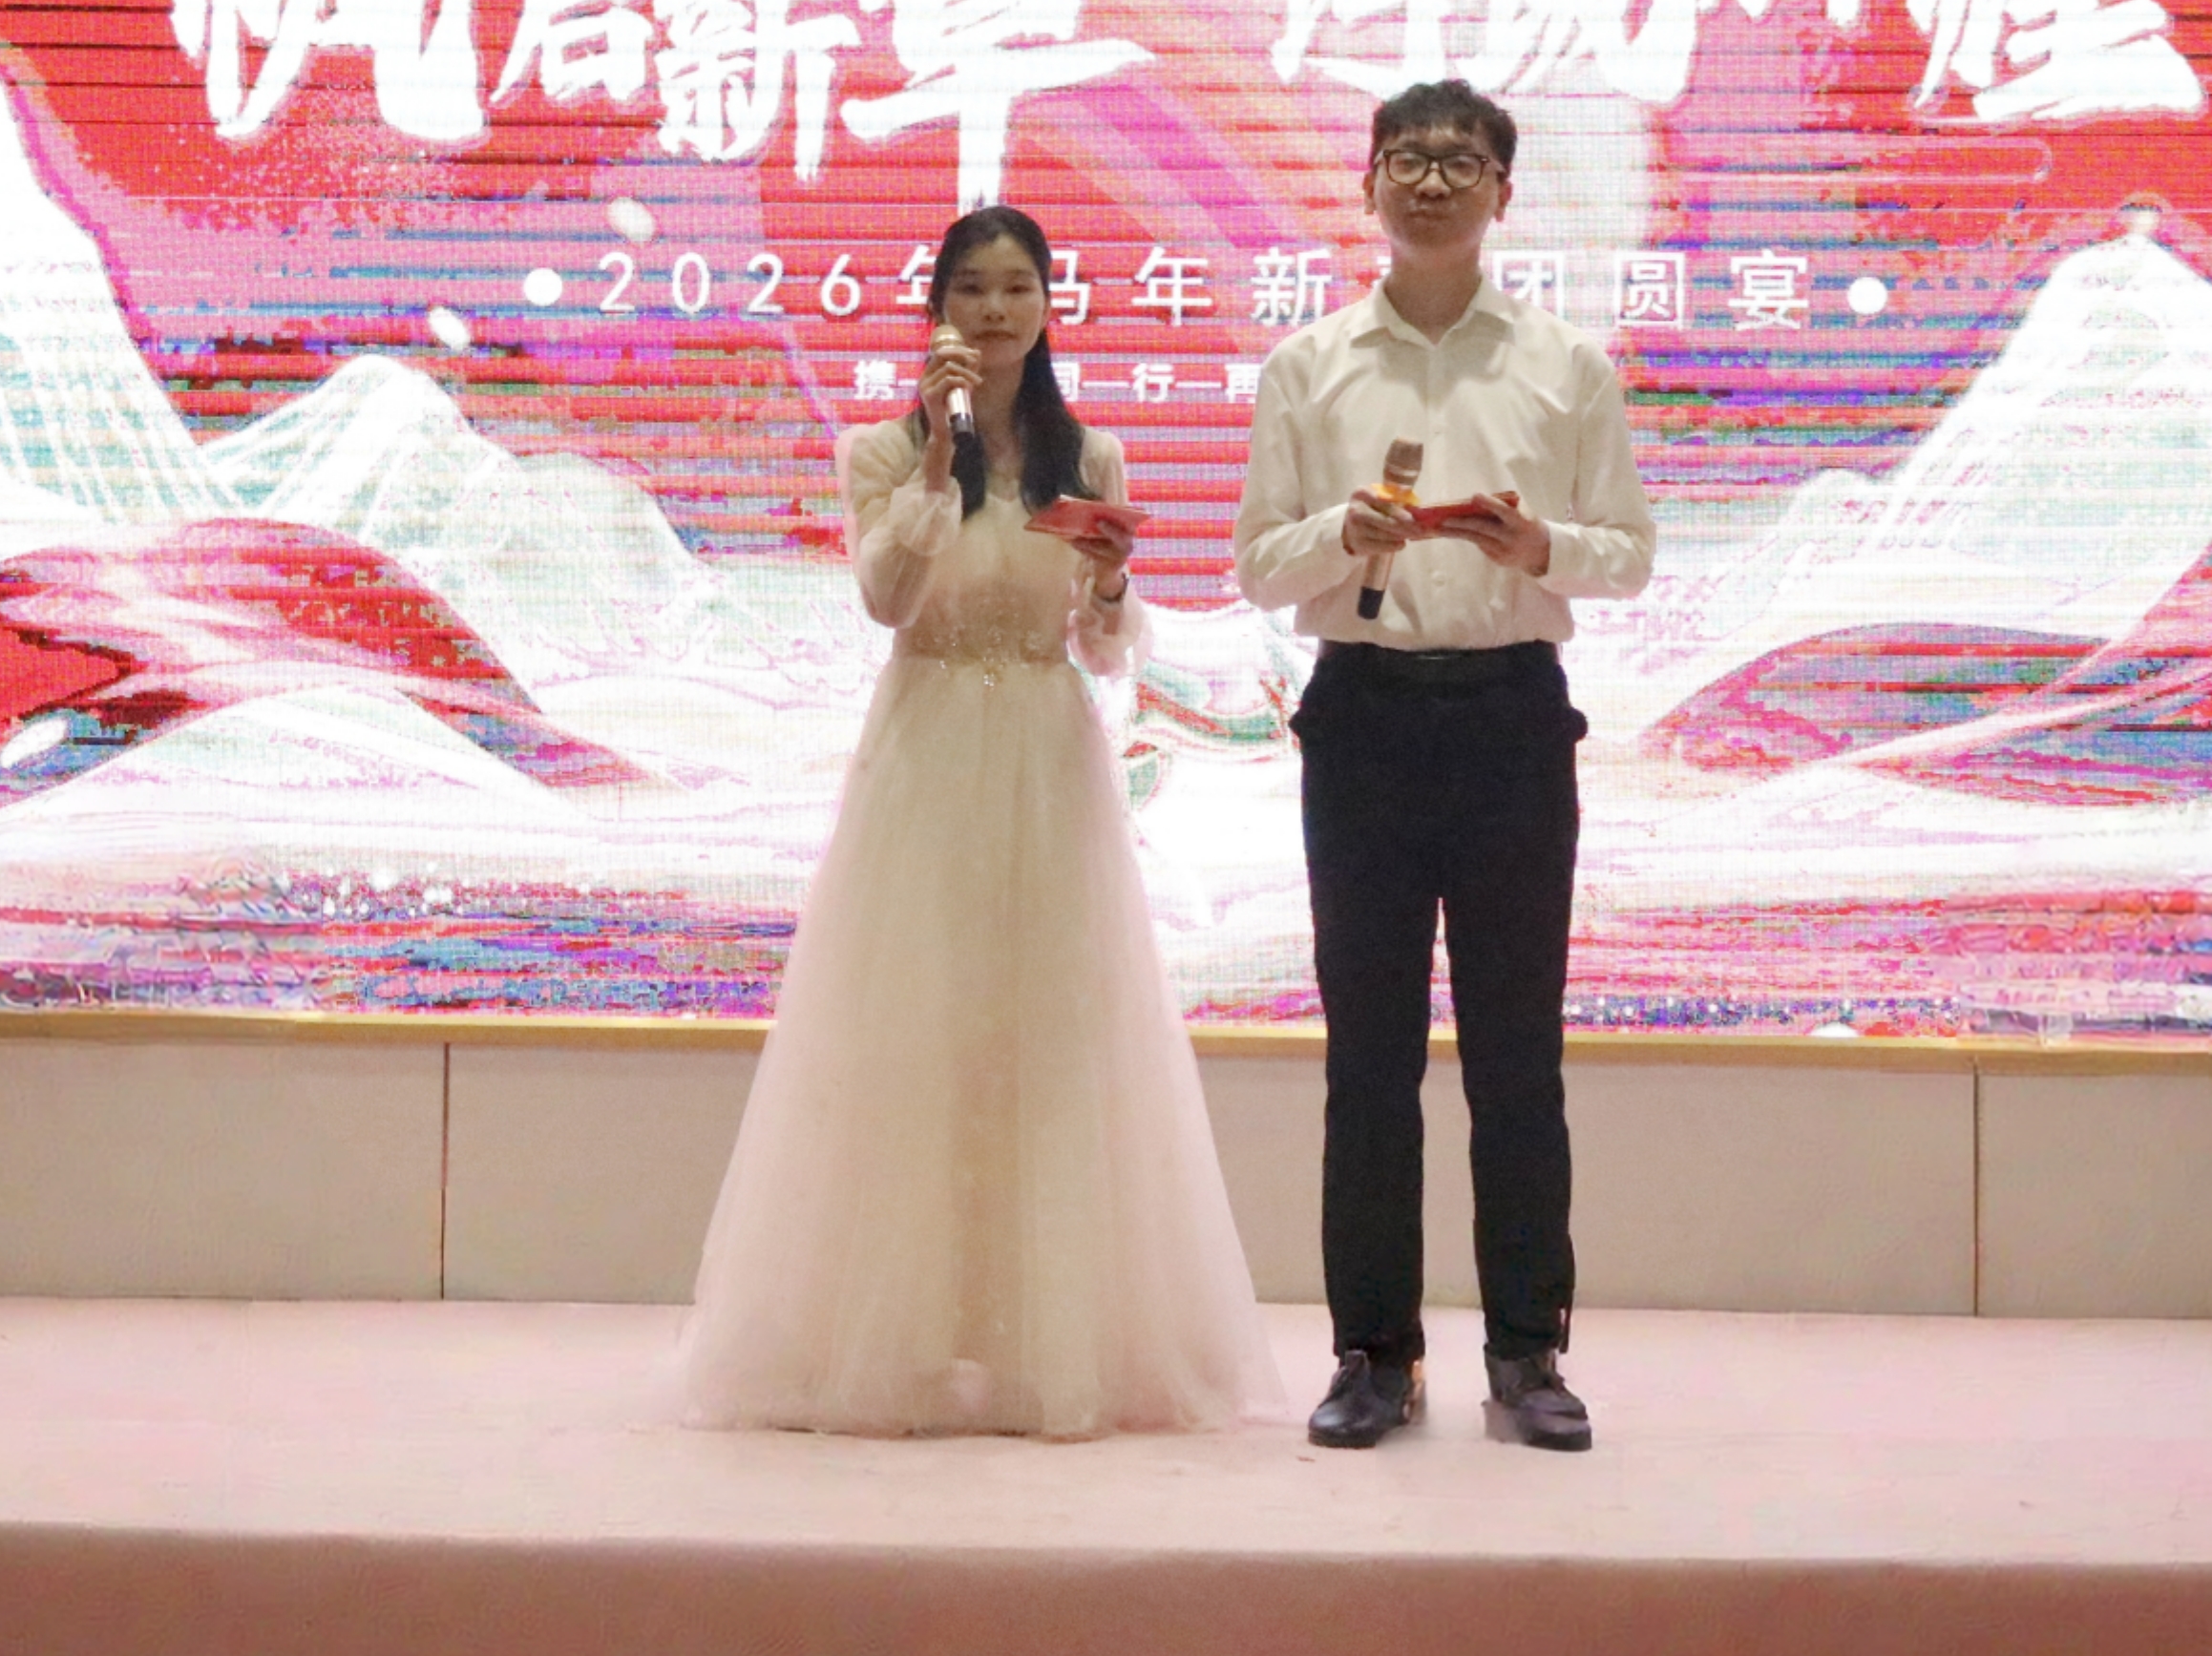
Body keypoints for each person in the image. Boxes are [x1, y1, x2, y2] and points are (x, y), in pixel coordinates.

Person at [680, 204, 1278, 1438]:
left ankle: (1048, 1346)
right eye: (972, 288)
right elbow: (885, 598)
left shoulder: (1090, 454)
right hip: (928, 747)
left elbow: (1105, 648)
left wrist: (1111, 580)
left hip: (1051, 755)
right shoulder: (879, 451)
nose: (995, 310)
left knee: (1052, 1032)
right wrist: (938, 466)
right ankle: (889, 1341)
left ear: (1050, 306)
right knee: (909, 1026)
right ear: (937, 307)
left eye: (1017, 288)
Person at [1233, 79, 1656, 1455]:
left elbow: (1628, 553)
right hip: (1360, 717)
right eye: (1406, 160)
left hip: (1511, 721)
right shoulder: (1308, 364)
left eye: (1459, 162)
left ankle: (1527, 1352)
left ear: (1501, 194)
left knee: (1516, 1057)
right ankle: (1374, 1353)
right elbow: (1257, 565)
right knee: (1367, 1059)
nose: (1430, 182)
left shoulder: (1564, 364)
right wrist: (1340, 535)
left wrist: (1542, 548)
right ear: (1367, 184)